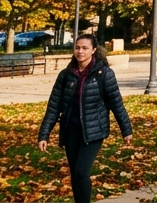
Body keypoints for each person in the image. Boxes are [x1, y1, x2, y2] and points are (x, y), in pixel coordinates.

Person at [38, 34, 133, 203]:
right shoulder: (66, 75)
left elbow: (116, 102)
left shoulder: (104, 73)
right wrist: (44, 134)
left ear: (93, 50)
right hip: (71, 130)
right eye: (77, 48)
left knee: (82, 172)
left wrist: (126, 129)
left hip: (93, 131)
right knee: (76, 175)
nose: (80, 51)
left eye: (84, 48)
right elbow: (54, 106)